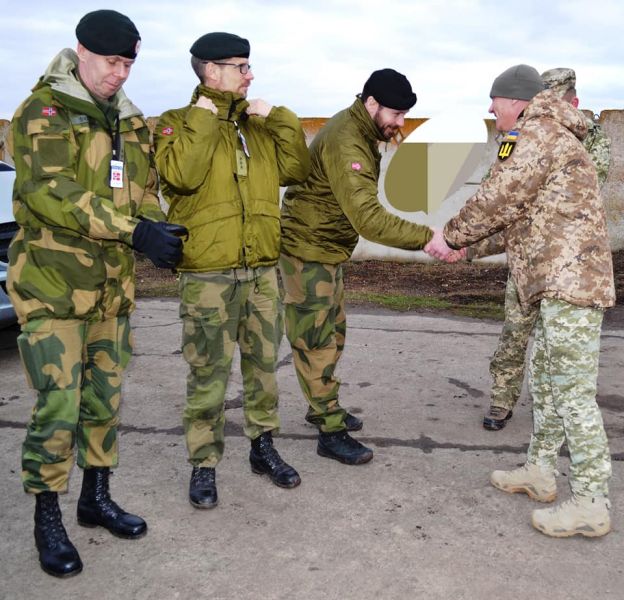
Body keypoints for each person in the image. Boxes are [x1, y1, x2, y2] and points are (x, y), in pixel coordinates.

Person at [7, 10, 186, 578]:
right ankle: (47, 515)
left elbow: (144, 190)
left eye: (129, 63)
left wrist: (161, 227)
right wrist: (135, 231)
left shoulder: (128, 122)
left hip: (111, 291)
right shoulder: (43, 113)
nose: (120, 74)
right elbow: (50, 193)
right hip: (54, 288)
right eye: (112, 61)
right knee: (58, 406)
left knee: (104, 401)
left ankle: (95, 497)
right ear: (80, 51)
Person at [435, 64, 614, 537]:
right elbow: (521, 218)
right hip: (550, 281)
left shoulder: (537, 134)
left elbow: (497, 197)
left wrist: (450, 238)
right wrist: (469, 248)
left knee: (573, 393)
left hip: (569, 282)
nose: (491, 112)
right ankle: (540, 472)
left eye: (494, 102)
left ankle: (592, 503)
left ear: (514, 100)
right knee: (548, 384)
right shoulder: (545, 134)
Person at [154, 32, 310, 509]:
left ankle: (263, 448)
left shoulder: (258, 127)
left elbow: (298, 168)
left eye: (249, 66)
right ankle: (204, 463)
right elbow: (180, 175)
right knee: (209, 374)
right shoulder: (176, 123)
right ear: (211, 71)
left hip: (261, 269)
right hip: (208, 276)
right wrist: (205, 112)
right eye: (241, 67)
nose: (250, 75)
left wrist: (278, 116)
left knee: (263, 368)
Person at [279, 69, 438, 465]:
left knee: (333, 334)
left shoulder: (363, 131)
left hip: (327, 248)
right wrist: (426, 237)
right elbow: (368, 218)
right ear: (371, 104)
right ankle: (329, 431)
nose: (400, 123)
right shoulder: (348, 140)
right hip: (308, 250)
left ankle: (322, 406)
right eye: (396, 114)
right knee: (315, 341)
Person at [472, 68, 611, 431]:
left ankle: (558, 414)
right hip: (526, 256)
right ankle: (502, 399)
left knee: (558, 345)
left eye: (557, 98)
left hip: (566, 261)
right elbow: (499, 181)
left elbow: (578, 193)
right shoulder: (518, 136)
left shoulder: (591, 140)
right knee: (515, 331)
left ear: (573, 102)